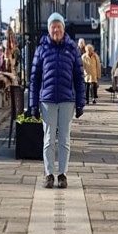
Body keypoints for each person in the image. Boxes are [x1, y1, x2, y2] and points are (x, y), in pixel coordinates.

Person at [29, 12, 85, 189]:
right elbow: (34, 78)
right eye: (53, 27)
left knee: (64, 139)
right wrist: (32, 104)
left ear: (63, 28)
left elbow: (79, 77)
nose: (56, 30)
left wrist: (81, 102)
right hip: (47, 100)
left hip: (67, 99)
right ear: (49, 29)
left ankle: (62, 173)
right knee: (48, 138)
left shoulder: (72, 49)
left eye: (58, 26)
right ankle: (48, 174)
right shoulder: (41, 49)